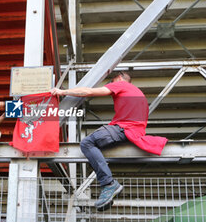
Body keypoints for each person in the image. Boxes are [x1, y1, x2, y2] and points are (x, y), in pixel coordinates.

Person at [51, 72, 168, 210]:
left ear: (119, 78)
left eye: (111, 81)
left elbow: (88, 91)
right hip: (134, 131)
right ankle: (108, 184)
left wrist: (62, 91)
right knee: (97, 142)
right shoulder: (138, 93)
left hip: (124, 129)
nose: (110, 85)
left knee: (87, 143)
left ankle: (108, 183)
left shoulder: (120, 84)